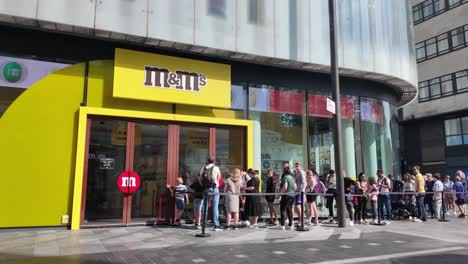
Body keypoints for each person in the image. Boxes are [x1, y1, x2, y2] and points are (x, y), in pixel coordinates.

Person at [199, 158, 222, 231]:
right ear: (214, 161)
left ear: (207, 161)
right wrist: (217, 184)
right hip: (215, 188)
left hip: (206, 189)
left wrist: (203, 185)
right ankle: (216, 225)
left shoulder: (203, 168)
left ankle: (204, 223)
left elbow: (200, 178)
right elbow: (219, 177)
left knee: (205, 206)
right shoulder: (216, 168)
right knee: (215, 206)